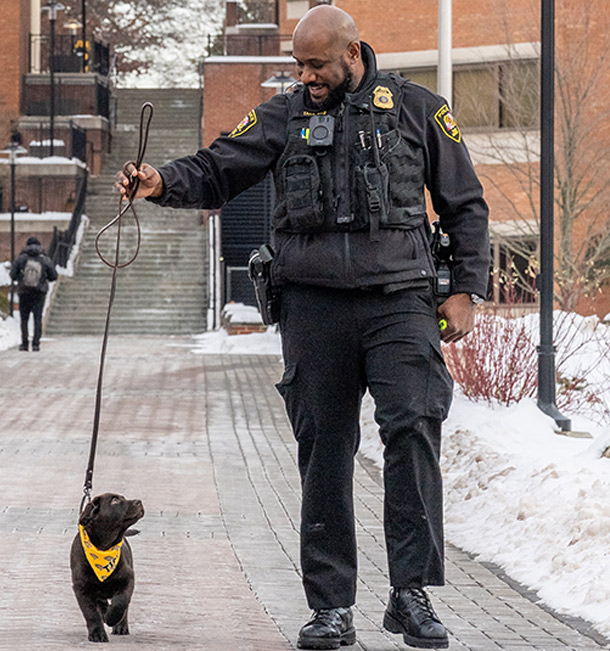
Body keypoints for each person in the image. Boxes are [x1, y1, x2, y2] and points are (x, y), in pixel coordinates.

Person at [119, 6, 490, 649]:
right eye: (299, 65)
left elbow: (466, 204)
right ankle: (331, 608)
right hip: (314, 307)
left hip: (400, 300)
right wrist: (160, 184)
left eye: (316, 64)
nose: (305, 75)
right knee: (324, 454)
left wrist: (465, 291)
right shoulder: (285, 114)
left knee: (412, 430)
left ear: (352, 54)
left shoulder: (418, 109)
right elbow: (217, 168)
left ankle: (411, 594)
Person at [10, 236, 58, 352]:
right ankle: (36, 344)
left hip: (24, 292)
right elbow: (54, 276)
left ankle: (24, 343)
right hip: (39, 293)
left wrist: (21, 280)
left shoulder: (21, 259)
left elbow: (12, 275)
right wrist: (43, 279)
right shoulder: (44, 259)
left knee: (24, 319)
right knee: (37, 318)